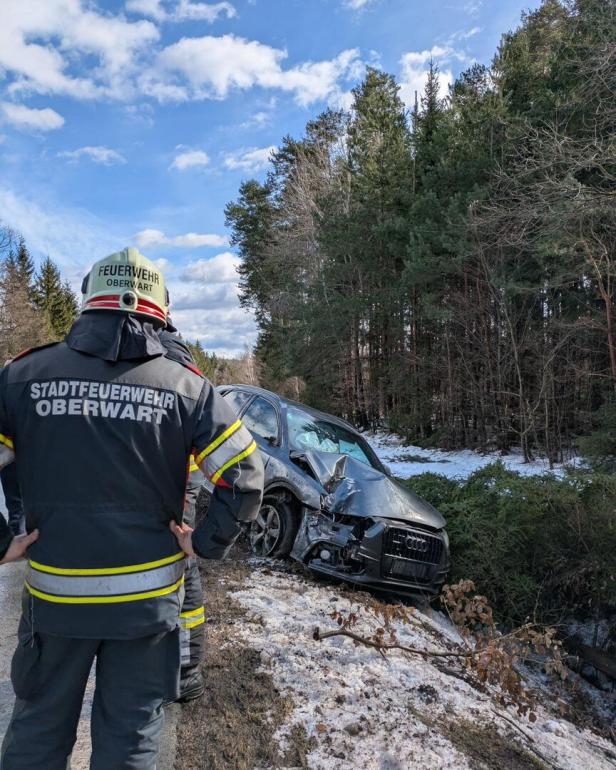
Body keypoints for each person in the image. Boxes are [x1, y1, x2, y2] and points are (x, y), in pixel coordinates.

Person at [0, 247, 264, 770]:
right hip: (147, 608)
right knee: (130, 742)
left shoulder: (21, 377)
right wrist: (204, 541)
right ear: (160, 310)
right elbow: (246, 477)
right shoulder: (189, 388)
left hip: (56, 601)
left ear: (88, 301)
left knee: (38, 732)